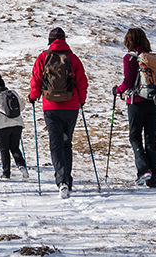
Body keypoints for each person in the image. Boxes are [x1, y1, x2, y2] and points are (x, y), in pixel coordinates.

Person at [29, 26, 88, 198]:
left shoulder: (43, 57)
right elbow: (82, 82)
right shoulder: (73, 59)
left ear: (50, 40)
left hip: (51, 107)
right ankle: (67, 181)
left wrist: (33, 97)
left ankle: (61, 181)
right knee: (66, 144)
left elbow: (36, 79)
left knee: (55, 144)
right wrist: (81, 100)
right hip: (71, 106)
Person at [113, 26, 156, 188]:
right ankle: (153, 179)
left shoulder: (130, 58)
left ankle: (143, 170)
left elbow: (127, 82)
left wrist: (117, 90)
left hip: (136, 103)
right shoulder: (152, 58)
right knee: (150, 139)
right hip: (155, 102)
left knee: (134, 137)